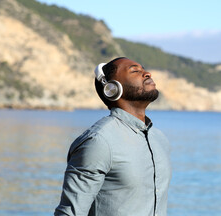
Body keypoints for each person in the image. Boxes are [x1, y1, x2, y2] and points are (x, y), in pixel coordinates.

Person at [55, 57, 172, 216]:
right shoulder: (99, 141)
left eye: (143, 69)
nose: (147, 73)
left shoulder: (159, 139)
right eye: (135, 71)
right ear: (112, 88)